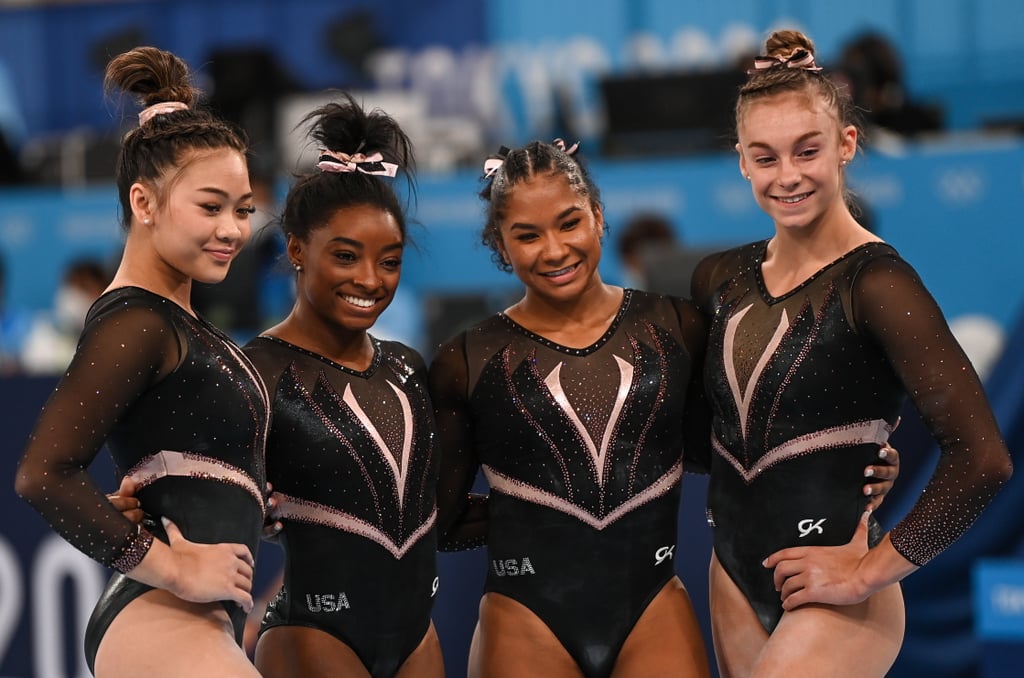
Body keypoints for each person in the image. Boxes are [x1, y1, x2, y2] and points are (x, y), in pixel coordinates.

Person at [428, 139, 900, 677]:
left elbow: (732, 448)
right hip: (525, 616)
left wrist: (853, 464)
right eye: (527, 236)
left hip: (652, 607)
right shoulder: (467, 359)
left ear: (598, 217)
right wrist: (531, 521)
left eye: (568, 223)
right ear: (500, 244)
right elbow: (439, 522)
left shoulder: (676, 326)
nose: (554, 250)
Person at [690, 29, 1013, 677]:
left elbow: (984, 459)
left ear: (845, 145)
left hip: (837, 593)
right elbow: (706, 439)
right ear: (742, 162)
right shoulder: (716, 279)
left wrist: (871, 569)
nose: (788, 176)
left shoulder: (878, 284)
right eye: (766, 156)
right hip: (730, 576)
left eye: (807, 151)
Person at [13, 46, 268, 677]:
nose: (232, 229)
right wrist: (172, 565)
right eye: (210, 207)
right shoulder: (136, 320)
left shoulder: (175, 321)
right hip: (162, 617)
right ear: (145, 204)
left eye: (242, 209)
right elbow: (42, 474)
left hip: (197, 621)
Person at [243, 93, 444, 678]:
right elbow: (205, 498)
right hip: (312, 634)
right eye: (346, 256)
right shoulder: (257, 369)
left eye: (390, 260)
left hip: (417, 636)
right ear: (297, 250)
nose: (370, 280)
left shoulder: (406, 365)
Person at [21, 257, 111, 374]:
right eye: (71, 287)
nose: (75, 297)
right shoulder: (43, 333)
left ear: (102, 292)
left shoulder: (112, 340)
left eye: (84, 288)